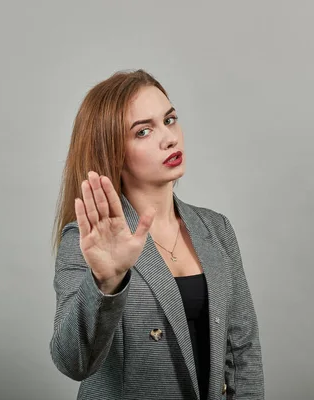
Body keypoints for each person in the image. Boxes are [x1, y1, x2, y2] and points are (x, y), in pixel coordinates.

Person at [49, 69, 264, 399]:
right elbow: (73, 362)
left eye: (170, 119)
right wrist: (105, 283)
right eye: (143, 131)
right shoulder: (88, 239)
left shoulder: (216, 229)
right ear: (112, 152)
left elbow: (243, 353)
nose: (170, 137)